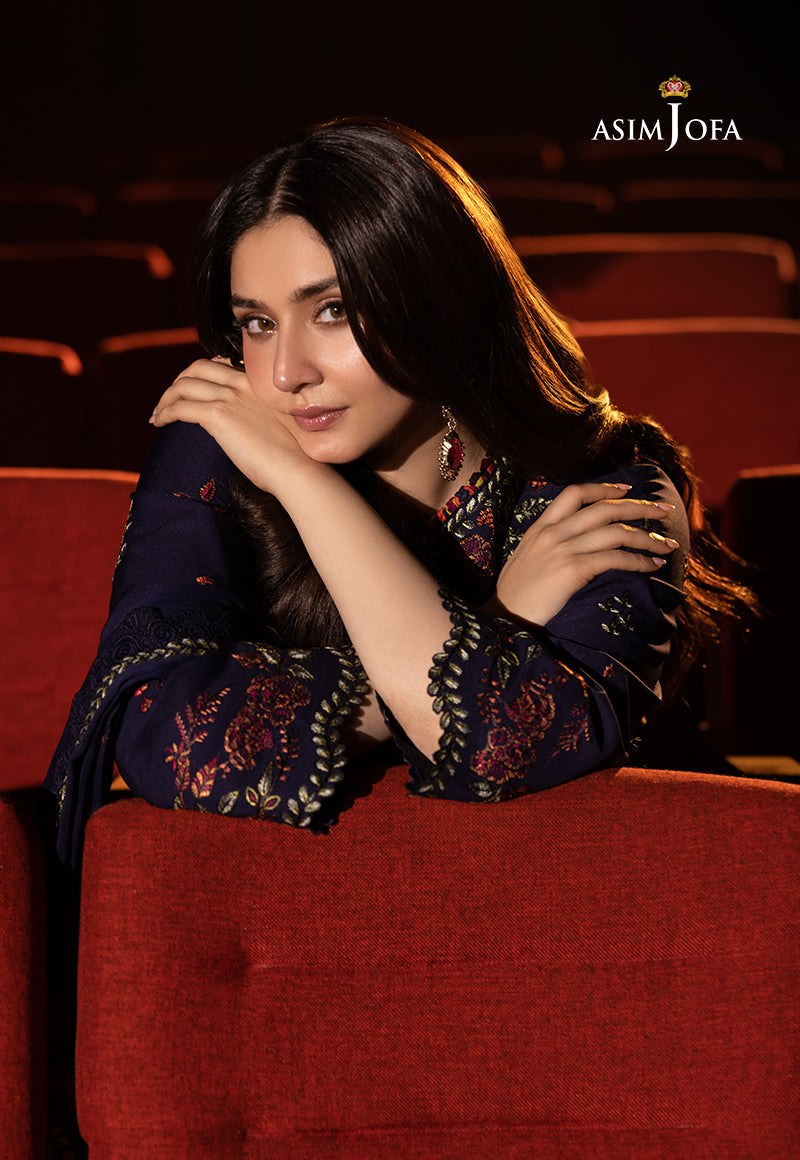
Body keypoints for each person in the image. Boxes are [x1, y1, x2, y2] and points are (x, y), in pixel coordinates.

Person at [45, 117, 749, 865]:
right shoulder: (227, 443)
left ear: (438, 297)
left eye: (332, 310)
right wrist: (492, 619)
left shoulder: (607, 489)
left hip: (613, 894)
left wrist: (309, 492)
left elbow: (505, 742)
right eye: (256, 323)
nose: (285, 374)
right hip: (332, 918)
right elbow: (167, 741)